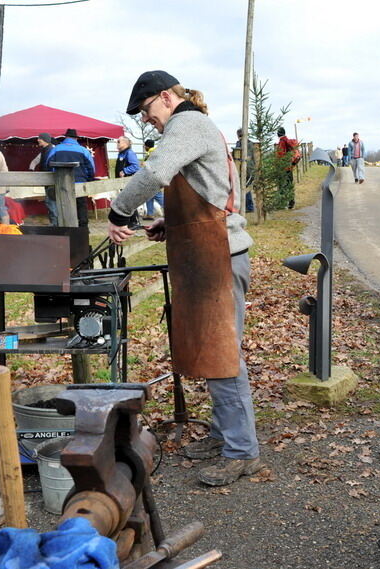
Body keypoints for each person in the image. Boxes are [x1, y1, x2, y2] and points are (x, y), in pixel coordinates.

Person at [107, 70, 263, 487]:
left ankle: (242, 451)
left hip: (220, 257)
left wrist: (119, 211)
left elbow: (156, 173)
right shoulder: (192, 124)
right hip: (209, 251)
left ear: (165, 97)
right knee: (216, 352)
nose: (147, 120)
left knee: (223, 354)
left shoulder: (187, 123)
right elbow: (207, 192)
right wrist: (170, 222)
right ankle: (223, 435)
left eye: (146, 111)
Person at [47, 128, 96, 227]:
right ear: (76, 138)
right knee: (81, 207)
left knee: (64, 207)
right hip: (79, 184)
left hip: (61, 184)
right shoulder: (83, 150)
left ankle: (65, 229)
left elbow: (48, 164)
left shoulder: (56, 149)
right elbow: (91, 168)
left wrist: (55, 177)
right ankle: (83, 230)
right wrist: (88, 178)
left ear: (65, 137)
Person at [28, 132, 57, 226]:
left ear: (45, 140)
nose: (38, 140)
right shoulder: (44, 150)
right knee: (50, 202)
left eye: (39, 138)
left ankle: (55, 224)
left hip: (52, 180)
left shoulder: (53, 149)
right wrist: (31, 169)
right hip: (47, 180)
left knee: (51, 202)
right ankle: (54, 223)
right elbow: (35, 161)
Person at [275, 127, 300, 209]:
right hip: (289, 167)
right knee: (289, 184)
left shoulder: (282, 142)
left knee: (282, 185)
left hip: (284, 168)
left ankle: (282, 203)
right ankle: (291, 202)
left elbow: (280, 155)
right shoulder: (288, 141)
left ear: (279, 134)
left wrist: (278, 164)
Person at [142, 138, 165, 218]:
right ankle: (150, 213)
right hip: (151, 177)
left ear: (147, 146)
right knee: (149, 196)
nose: (144, 146)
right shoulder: (151, 152)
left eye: (145, 145)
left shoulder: (151, 153)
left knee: (157, 195)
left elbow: (151, 166)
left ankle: (171, 209)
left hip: (153, 178)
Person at [236, 129, 256, 214]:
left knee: (244, 187)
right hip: (251, 169)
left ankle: (249, 206)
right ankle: (248, 206)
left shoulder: (240, 144)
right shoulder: (251, 144)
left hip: (244, 169)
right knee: (246, 187)